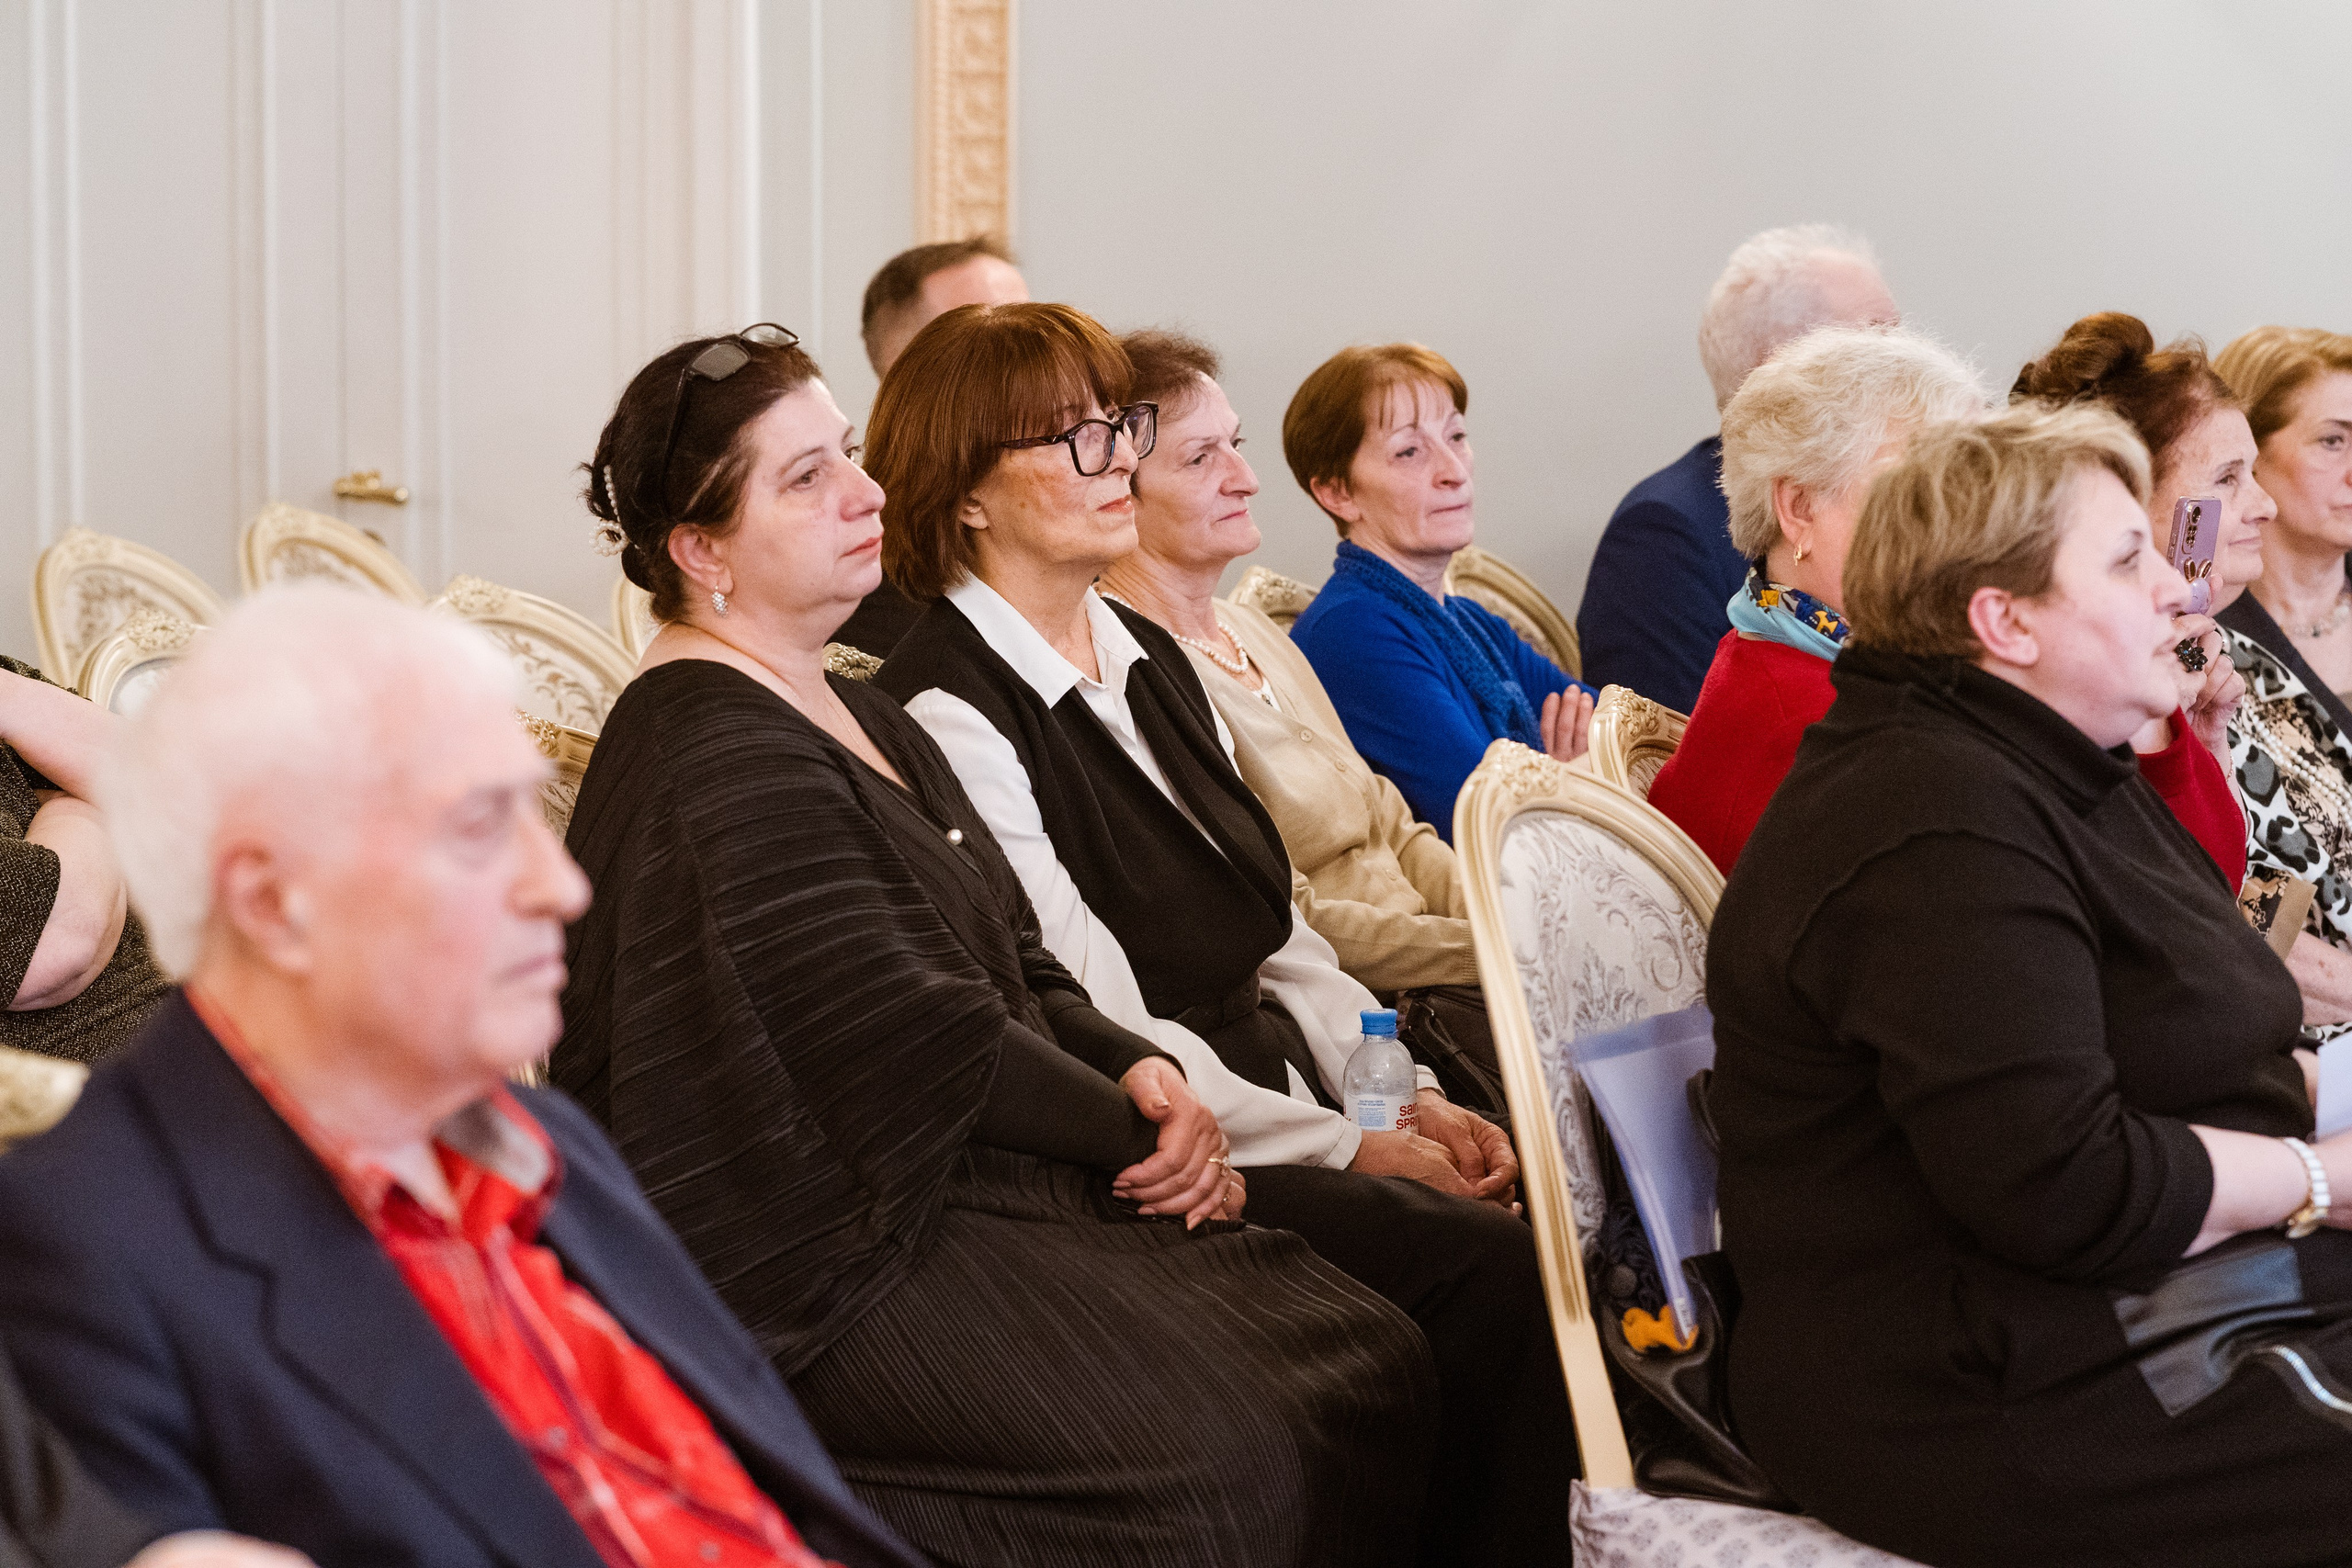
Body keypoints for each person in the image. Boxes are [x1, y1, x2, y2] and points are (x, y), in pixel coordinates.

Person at [559, 324, 1435, 1568]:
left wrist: (1149, 1076)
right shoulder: (709, 748)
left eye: (849, 456)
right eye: (805, 479)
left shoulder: (849, 705)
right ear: (702, 551)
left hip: (966, 1167)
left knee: (1359, 1354)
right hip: (833, 1250)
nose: (863, 493)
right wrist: (1145, 1123)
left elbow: (1016, 956)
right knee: (1237, 1447)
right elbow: (915, 1031)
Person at [0, 587, 930, 1568]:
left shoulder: (544, 1139)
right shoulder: (86, 1240)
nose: (561, 887)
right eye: (481, 828)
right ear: (274, 904)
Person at [869, 302, 1576, 1567]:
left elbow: (1281, 927)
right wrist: (1350, 1152)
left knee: (1515, 1211)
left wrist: (1399, 1092)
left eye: (1117, 429)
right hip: (1160, 1139)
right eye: (1073, 440)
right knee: (1492, 1275)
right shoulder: (949, 700)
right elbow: (1088, 1002)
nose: (1116, 463)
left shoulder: (1140, 646)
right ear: (967, 494)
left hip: (1295, 1086)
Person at [1709, 402, 2352, 1566]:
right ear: (2002, 621)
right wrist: (2319, 1175)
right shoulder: (1926, 821)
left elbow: (2195, 1040)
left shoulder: (2046, 759)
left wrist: (2328, 1106)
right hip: (1986, 1386)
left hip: (2130, 1296)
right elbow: (2064, 1182)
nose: (2177, 585)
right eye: (2127, 559)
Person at [1095, 329, 1499, 1110]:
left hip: (1447, 974)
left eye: (1236, 445)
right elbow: (1290, 919)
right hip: (1374, 1023)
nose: (1246, 478)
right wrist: (1493, 952)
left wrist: (1505, 923)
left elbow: (1394, 822)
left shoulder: (1253, 632)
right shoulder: (1136, 672)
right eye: (1200, 458)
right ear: (1118, 492)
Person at [1648, 324, 1989, 874]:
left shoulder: (1808, 663)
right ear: (1801, 508)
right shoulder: (1824, 733)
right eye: (1920, 492)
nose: (1968, 529)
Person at [1576, 224, 1901, 712]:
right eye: (1878, 345)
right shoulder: (1663, 538)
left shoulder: (1876, 509)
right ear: (1786, 372)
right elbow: (1660, 769)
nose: (1910, 365)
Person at [1285, 343, 1598, 840]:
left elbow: (1613, 732)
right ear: (1337, 493)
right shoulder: (1352, 632)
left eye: (1457, 435)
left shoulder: (1470, 621)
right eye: (1409, 451)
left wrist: (1556, 781)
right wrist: (1566, 780)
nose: (1454, 470)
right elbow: (1492, 820)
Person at [838, 238, 1034, 660]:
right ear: (912, 366)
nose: (1037, 359)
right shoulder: (860, 559)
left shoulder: (1077, 509)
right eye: (994, 333)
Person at [0, 656, 168, 1060]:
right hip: (75, 1075)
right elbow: (51, 943)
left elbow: (166, 782)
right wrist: (75, 804)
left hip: (192, 996)